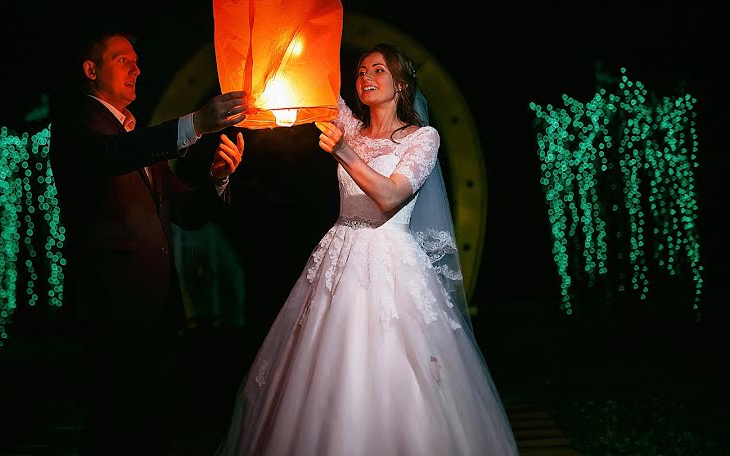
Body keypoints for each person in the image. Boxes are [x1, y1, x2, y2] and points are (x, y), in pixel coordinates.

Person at [216, 43, 518, 455]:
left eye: (378, 70)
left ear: (402, 85)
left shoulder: (422, 138)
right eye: (360, 72)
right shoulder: (350, 126)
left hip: (391, 259)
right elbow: (313, 83)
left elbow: (391, 196)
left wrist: (344, 152)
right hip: (338, 256)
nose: (365, 78)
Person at [48, 32, 247, 455]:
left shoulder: (132, 135)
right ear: (91, 70)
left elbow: (187, 215)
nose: (137, 69)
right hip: (111, 309)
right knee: (114, 428)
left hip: (157, 311)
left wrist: (217, 179)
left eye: (138, 62)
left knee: (153, 429)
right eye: (123, 60)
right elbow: (112, 154)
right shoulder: (76, 124)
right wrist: (195, 124)